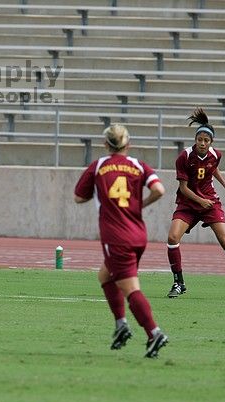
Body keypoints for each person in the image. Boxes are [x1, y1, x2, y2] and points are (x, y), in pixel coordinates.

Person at [74, 124, 168, 358]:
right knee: (105, 275)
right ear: (128, 144)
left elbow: (78, 197)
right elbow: (159, 189)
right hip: (138, 234)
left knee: (131, 289)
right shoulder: (138, 165)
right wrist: (139, 205)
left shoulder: (99, 166)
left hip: (116, 237)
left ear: (106, 145)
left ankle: (154, 333)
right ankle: (121, 325)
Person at [165, 108, 225, 300]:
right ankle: (178, 283)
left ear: (211, 142)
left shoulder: (216, 154)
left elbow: (212, 168)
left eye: (206, 141)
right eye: (200, 140)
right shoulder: (184, 156)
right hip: (189, 202)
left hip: (210, 201)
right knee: (173, 238)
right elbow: (183, 188)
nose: (203, 144)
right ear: (195, 140)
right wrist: (200, 201)